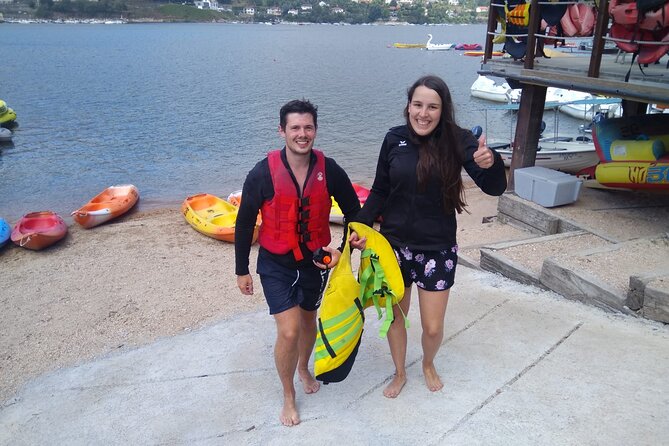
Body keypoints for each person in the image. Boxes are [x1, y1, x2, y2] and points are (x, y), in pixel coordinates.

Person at [350, 75, 507, 398]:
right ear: (408, 107)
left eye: (432, 107)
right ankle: (398, 371)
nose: (424, 113)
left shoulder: (458, 140)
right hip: (393, 246)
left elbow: (494, 187)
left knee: (433, 327)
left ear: (442, 110)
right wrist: (360, 226)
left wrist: (491, 164)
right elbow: (379, 190)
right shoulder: (394, 139)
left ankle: (428, 363)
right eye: (418, 105)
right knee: (396, 316)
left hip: (437, 248)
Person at [234, 99, 361, 426]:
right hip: (275, 264)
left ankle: (304, 367)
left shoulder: (329, 169)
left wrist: (343, 249)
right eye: (295, 128)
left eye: (308, 127)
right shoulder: (262, 173)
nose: (302, 134)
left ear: (315, 130)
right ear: (282, 131)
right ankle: (289, 395)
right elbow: (245, 222)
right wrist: (241, 270)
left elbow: (354, 213)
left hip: (315, 263)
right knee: (288, 331)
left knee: (307, 322)